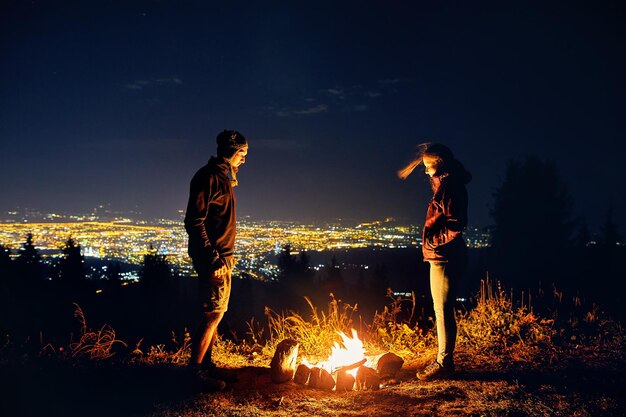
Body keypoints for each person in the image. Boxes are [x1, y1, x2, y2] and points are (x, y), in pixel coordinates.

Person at [398, 143, 471, 381]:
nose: (425, 170)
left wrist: (432, 242)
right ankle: (443, 360)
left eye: (428, 166)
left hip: (444, 257)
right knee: (442, 310)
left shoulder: (449, 188)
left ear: (439, 165)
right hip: (443, 256)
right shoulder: (446, 185)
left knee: (442, 310)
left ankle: (444, 363)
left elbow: (455, 225)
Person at [184, 129, 248, 391]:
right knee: (212, 314)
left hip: (222, 259)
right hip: (215, 261)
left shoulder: (222, 178)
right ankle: (195, 373)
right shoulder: (210, 177)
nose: (244, 159)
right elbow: (194, 221)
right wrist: (213, 258)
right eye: (242, 153)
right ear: (232, 151)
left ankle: (206, 366)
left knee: (216, 313)